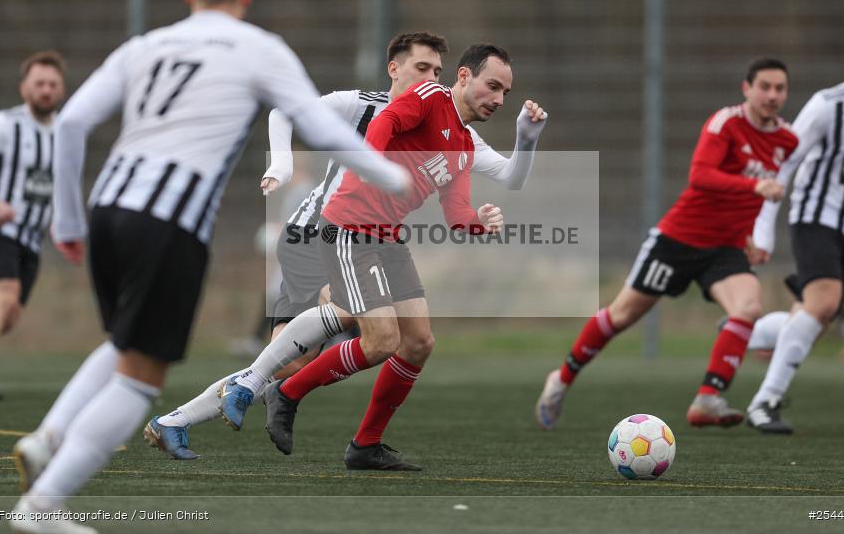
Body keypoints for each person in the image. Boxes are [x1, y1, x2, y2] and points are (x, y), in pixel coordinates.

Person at [8, 0, 410, 533]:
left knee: (123, 344)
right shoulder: (260, 48)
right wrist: (394, 175)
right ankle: (43, 506)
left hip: (107, 209)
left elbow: (70, 122)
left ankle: (48, 438)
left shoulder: (145, 45)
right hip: (168, 221)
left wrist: (66, 221)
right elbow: (321, 126)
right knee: (139, 377)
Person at [145, 35, 547, 462]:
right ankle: (248, 393)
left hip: (375, 235)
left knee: (391, 341)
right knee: (347, 337)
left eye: (436, 71)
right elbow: (285, 112)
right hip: (315, 231)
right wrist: (282, 164)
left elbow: (493, 187)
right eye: (422, 68)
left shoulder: (459, 137)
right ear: (394, 68)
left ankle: (187, 418)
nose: (430, 77)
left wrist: (521, 148)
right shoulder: (365, 105)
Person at [535, 57, 798, 431]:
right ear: (747, 89)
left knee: (749, 306)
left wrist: (752, 235)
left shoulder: (787, 140)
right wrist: (754, 186)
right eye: (765, 87)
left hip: (725, 250)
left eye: (780, 88)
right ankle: (561, 379)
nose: (772, 95)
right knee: (621, 316)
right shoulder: (726, 123)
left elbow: (763, 196)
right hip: (679, 239)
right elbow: (701, 176)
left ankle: (708, 397)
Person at [746, 16, 844, 434]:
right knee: (823, 305)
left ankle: (742, 330)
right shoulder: (829, 105)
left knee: (813, 319)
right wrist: (763, 229)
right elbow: (783, 163)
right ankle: (764, 402)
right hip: (815, 217)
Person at [0, 51, 66, 401]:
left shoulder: (65, 131)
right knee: (4, 297)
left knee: (9, 315)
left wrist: (62, 223)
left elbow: (61, 185)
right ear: (24, 88)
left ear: (61, 89)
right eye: (39, 84)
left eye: (52, 84)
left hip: (31, 239)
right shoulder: (5, 125)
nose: (46, 90)